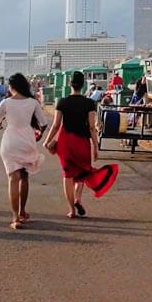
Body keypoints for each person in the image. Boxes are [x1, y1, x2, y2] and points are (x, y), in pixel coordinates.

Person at [0, 73, 47, 229]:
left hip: (10, 142)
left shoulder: (6, 103)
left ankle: (15, 217)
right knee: (24, 177)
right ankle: (23, 211)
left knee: (13, 178)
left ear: (11, 87)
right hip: (27, 141)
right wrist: (38, 135)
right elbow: (43, 123)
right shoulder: (33, 102)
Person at [43, 71, 119, 218]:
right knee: (82, 173)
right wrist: (96, 147)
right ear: (83, 85)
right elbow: (92, 127)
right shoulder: (89, 103)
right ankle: (78, 198)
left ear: (70, 84)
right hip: (82, 142)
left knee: (68, 175)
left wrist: (47, 142)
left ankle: (71, 210)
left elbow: (56, 125)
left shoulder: (62, 102)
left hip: (66, 142)